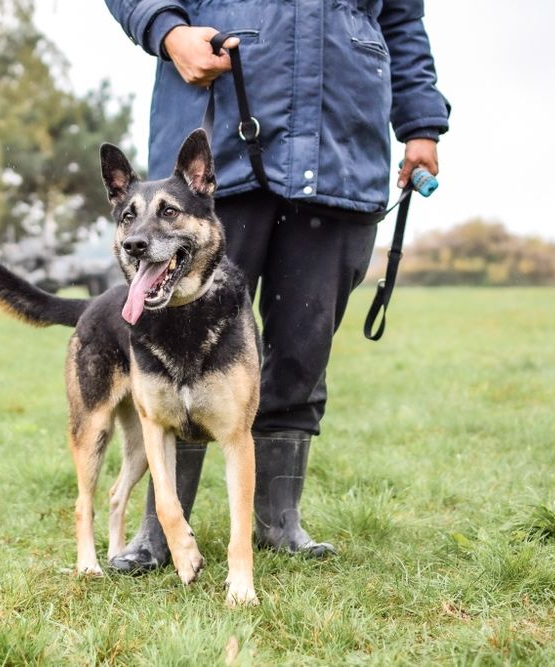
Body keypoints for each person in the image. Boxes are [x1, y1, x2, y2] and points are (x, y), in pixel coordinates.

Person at [103, 0, 449, 572]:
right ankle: (160, 531)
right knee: (179, 354)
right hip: (222, 139)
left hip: (341, 149)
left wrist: (419, 123)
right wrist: (170, 32)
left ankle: (279, 521)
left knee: (303, 351)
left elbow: (402, 20)